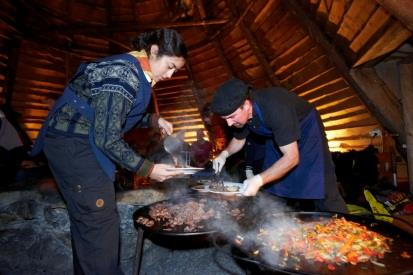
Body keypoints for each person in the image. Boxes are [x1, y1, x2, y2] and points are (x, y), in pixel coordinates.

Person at [30, 28, 187, 275]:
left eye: (175, 71)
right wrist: (149, 169)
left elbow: (115, 112)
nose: (170, 75)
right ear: (154, 51)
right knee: (99, 222)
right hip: (76, 145)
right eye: (170, 66)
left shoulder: (133, 71)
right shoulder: (123, 73)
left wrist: (155, 120)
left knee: (88, 224)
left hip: (76, 144)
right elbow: (107, 137)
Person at [210, 78, 347, 213]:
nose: (229, 123)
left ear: (246, 105)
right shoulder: (241, 116)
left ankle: (342, 227)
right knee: (274, 190)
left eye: (232, 117)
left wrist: (258, 180)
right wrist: (224, 154)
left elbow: (292, 158)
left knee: (322, 187)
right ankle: (273, 222)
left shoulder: (275, 106)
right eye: (225, 119)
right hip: (279, 138)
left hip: (308, 134)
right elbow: (239, 139)